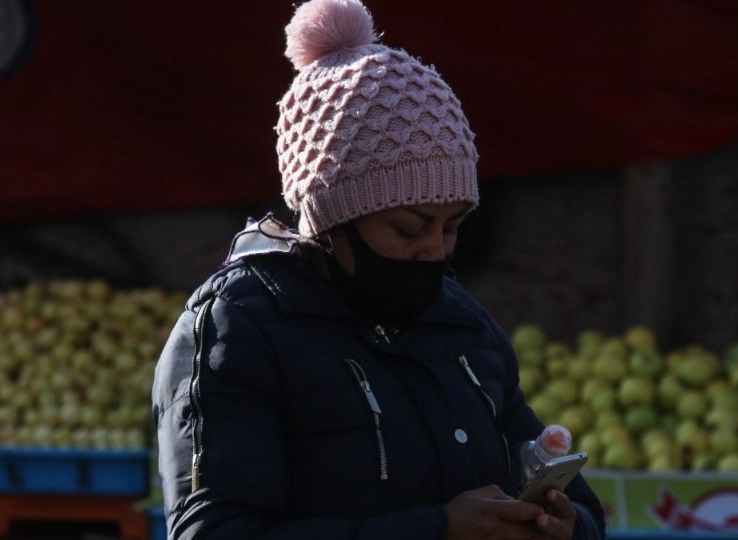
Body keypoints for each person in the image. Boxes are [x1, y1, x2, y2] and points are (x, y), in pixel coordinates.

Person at [152, 0, 606, 539]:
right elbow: (214, 532)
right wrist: (436, 530)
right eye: (410, 229)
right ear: (332, 220)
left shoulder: (462, 327)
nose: (435, 251)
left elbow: (581, 509)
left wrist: (565, 524)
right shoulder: (237, 332)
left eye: (453, 226)